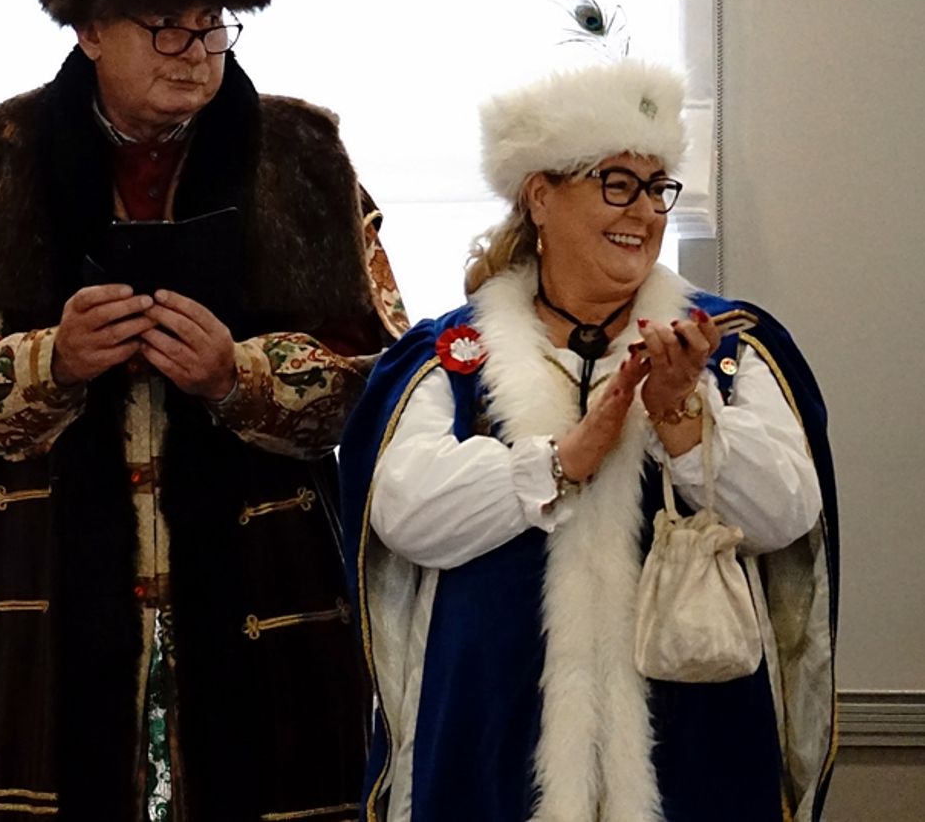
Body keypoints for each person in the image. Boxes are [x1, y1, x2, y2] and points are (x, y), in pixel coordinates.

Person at [0, 0, 407, 820]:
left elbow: (383, 374)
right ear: (88, 30)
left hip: (268, 597)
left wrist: (239, 375)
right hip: (55, 600)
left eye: (213, 25)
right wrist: (51, 361)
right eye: (166, 26)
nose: (194, 51)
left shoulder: (301, 156)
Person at [339, 56, 839, 821]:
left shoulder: (728, 348)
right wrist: (560, 462)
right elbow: (403, 514)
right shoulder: (451, 358)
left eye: (656, 187)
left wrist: (685, 425)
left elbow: (788, 512)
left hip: (696, 746)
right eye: (616, 182)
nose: (644, 211)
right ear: (540, 196)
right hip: (491, 743)